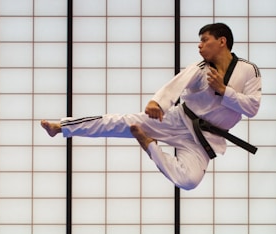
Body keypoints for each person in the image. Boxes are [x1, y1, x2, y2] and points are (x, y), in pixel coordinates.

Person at [41, 23, 262, 190]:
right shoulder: (200, 68)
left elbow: (252, 108)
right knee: (120, 122)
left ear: (222, 41)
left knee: (188, 181)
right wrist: (158, 102)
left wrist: (224, 91)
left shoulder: (248, 70)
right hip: (178, 120)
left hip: (204, 138)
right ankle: (61, 126)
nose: (199, 45)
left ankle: (149, 145)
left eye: (205, 40)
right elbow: (176, 86)